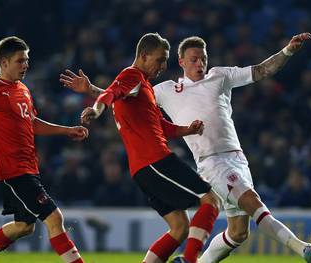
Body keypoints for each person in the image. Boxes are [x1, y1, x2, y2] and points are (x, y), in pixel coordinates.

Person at [61, 33, 311, 263]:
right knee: (236, 202)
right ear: (181, 62)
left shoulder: (220, 76)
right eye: (194, 59)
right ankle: (302, 250)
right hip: (209, 163)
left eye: (203, 58)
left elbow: (262, 70)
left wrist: (287, 51)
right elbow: (121, 95)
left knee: (235, 232)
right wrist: (94, 100)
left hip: (237, 159)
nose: (200, 63)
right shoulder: (163, 89)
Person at [61, 33, 220, 263]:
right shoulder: (132, 76)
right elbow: (110, 94)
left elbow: (160, 125)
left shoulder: (139, 86)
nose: (163, 66)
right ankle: (191, 260)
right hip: (156, 160)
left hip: (143, 170)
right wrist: (95, 110)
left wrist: (189, 129)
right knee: (210, 199)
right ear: (144, 56)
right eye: (159, 59)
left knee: (179, 227)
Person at [0, 36, 89, 263]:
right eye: (20, 61)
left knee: (24, 227)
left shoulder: (23, 89)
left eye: (26, 60)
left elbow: (32, 123)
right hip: (13, 169)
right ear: (4, 62)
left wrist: (66, 130)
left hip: (29, 167)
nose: (25, 65)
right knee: (54, 218)